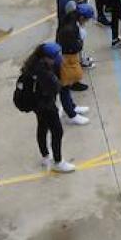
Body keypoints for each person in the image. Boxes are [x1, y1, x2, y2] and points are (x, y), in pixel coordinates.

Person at [18, 43, 76, 172]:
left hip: (36, 105)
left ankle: (45, 155)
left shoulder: (33, 66)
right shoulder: (43, 73)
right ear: (45, 58)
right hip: (46, 105)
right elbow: (56, 87)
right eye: (54, 58)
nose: (57, 60)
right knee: (57, 131)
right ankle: (58, 161)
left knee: (42, 126)